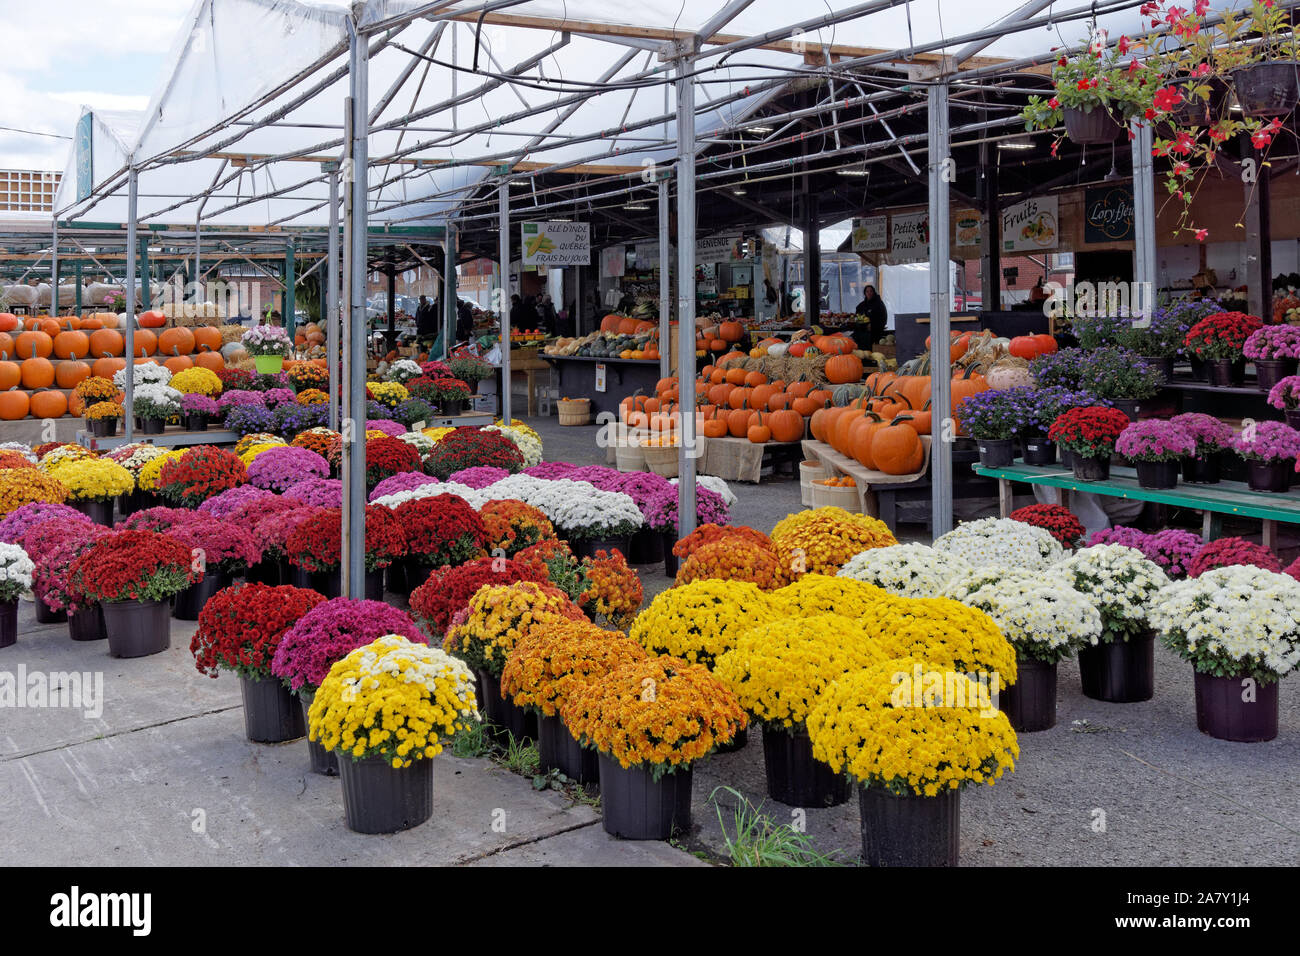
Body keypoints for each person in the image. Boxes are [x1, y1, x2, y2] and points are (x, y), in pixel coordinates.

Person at [852, 285, 888, 351]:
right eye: (867, 291)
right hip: (863, 333)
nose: (869, 293)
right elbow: (857, 316)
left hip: (875, 333)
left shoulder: (879, 304)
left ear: (874, 292)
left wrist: (873, 325)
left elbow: (883, 318)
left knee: (871, 350)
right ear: (865, 293)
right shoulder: (862, 305)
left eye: (871, 291)